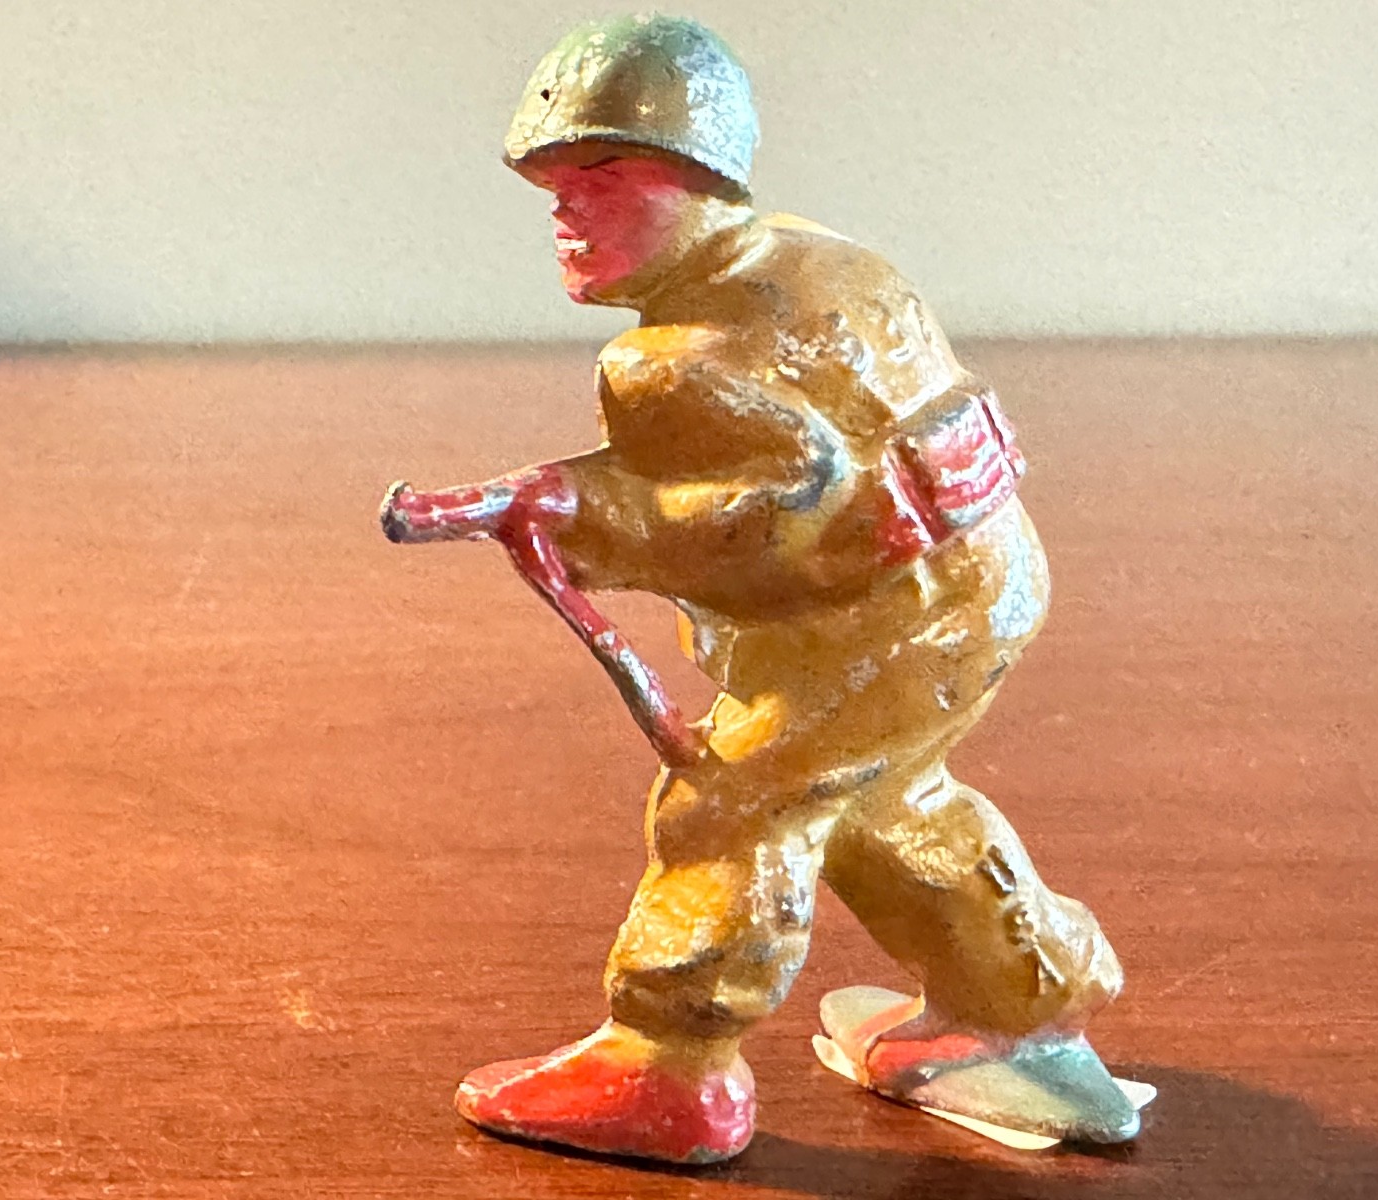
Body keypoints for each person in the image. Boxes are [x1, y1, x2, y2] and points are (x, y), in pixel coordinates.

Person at [381, 14, 1136, 1164]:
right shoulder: (821, 257)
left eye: (603, 175)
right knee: (884, 802)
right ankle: (1016, 1010)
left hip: (893, 616)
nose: (565, 211)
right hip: (985, 581)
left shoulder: (661, 364)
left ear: (696, 172)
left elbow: (773, 529)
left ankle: (666, 1069)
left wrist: (579, 513)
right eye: (553, 186)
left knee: (731, 804)